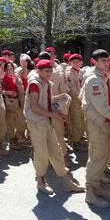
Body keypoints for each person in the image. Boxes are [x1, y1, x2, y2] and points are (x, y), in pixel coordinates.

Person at [24, 60, 84, 195]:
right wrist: (53, 114)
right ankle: (40, 181)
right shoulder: (35, 84)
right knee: (41, 153)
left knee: (56, 151)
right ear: (38, 71)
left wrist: (60, 99)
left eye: (50, 70)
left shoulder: (45, 82)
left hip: (46, 121)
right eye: (46, 71)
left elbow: (44, 100)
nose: (49, 73)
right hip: (37, 123)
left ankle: (66, 182)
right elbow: (34, 106)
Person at [81, 49, 110, 208]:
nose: (106, 63)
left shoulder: (104, 77)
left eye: (107, 60)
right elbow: (101, 106)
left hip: (106, 120)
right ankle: (90, 192)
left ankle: (96, 185)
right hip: (98, 122)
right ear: (94, 61)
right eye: (102, 60)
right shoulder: (94, 80)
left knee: (103, 155)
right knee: (97, 156)